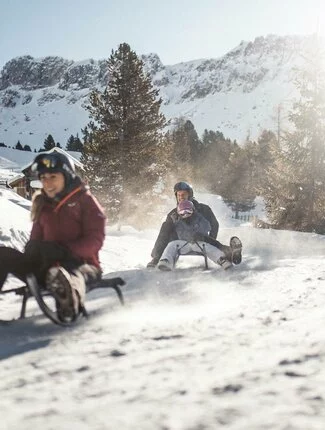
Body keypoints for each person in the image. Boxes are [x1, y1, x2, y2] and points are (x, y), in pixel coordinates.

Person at [0, 152, 106, 322]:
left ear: (67, 175)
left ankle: (69, 301)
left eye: (53, 177)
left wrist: (65, 250)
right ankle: (59, 282)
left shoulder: (85, 201)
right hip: (45, 265)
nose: (47, 183)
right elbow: (35, 238)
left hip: (81, 264)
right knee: (3, 255)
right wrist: (33, 248)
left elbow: (95, 240)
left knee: (70, 273)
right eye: (43, 178)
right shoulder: (43, 204)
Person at [147, 181, 242, 270]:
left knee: (205, 239)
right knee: (166, 225)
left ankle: (232, 254)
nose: (181, 197)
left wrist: (210, 240)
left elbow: (214, 225)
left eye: (183, 194)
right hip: (179, 242)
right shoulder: (174, 213)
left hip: (201, 240)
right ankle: (157, 258)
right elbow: (165, 233)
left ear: (190, 195)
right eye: (178, 195)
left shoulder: (203, 209)